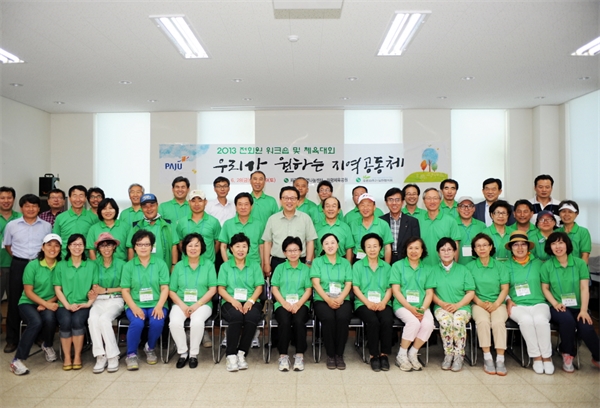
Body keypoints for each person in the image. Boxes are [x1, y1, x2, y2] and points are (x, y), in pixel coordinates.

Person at [541, 232, 600, 371]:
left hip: (579, 306)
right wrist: (555, 303)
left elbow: (584, 288)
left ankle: (597, 357)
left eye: (561, 243)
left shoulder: (580, 263)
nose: (557, 246)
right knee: (567, 321)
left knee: (586, 327)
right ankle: (567, 353)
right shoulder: (547, 266)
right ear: (550, 247)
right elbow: (545, 288)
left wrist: (584, 310)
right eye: (554, 243)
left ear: (567, 244)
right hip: (557, 306)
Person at [3, 194, 52, 353]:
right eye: (27, 206)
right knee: (14, 300)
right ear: (21, 208)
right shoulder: (11, 225)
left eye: (34, 206)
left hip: (39, 265)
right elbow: (8, 246)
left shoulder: (46, 226)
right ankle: (12, 340)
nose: (31, 209)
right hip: (19, 264)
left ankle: (38, 336)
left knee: (39, 297)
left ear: (39, 208)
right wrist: (20, 258)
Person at [9, 233, 61, 375]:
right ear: (42, 247)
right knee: (36, 322)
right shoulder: (32, 265)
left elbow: (61, 290)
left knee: (50, 318)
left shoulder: (61, 266)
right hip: (28, 302)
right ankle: (17, 360)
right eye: (49, 245)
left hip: (50, 302)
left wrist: (47, 304)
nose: (53, 248)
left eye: (56, 245)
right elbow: (28, 291)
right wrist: (44, 303)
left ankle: (47, 345)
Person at [504, 231, 554, 374]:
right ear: (511, 248)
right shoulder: (504, 265)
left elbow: (548, 284)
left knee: (540, 320)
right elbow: (501, 287)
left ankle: (547, 357)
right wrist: (508, 299)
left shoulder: (540, 264)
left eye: (523, 244)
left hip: (539, 303)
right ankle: (536, 357)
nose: (520, 248)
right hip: (516, 305)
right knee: (526, 320)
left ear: (528, 247)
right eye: (516, 245)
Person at [120, 230, 170, 370]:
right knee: (137, 322)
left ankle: (150, 347)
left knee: (157, 321)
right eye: (139, 244)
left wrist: (159, 306)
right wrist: (134, 307)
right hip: (135, 304)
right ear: (134, 247)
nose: (143, 247)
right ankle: (131, 355)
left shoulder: (160, 264)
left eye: (147, 244)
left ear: (152, 246)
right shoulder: (128, 266)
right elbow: (125, 290)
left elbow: (165, 287)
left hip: (157, 303)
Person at [169, 233, 217, 369]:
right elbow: (172, 290)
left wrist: (197, 305)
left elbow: (212, 289)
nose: (193, 248)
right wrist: (183, 305)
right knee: (174, 323)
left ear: (202, 247)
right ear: (184, 248)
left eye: (197, 245)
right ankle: (183, 352)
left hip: (203, 304)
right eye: (190, 245)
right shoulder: (179, 266)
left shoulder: (208, 265)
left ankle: (193, 354)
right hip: (180, 303)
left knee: (197, 322)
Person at [217, 233, 264, 372]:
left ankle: (241, 353)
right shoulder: (225, 266)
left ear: (248, 249)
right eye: (237, 246)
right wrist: (233, 301)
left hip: (251, 300)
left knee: (251, 317)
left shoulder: (254, 265)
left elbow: (259, 287)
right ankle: (231, 355)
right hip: (230, 301)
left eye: (244, 246)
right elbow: (221, 289)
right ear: (231, 249)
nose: (241, 249)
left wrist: (250, 301)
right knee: (236, 316)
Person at [390, 237, 435, 372]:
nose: (413, 251)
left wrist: (422, 309)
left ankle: (413, 353)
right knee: (413, 323)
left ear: (422, 250)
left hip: (421, 306)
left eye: (417, 248)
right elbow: (396, 290)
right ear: (405, 250)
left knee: (428, 324)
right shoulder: (397, 266)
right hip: (402, 305)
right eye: (410, 248)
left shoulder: (428, 268)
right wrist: (410, 308)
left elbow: (429, 293)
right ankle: (401, 355)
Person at [53, 234, 97, 370]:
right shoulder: (61, 265)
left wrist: (88, 303)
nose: (77, 247)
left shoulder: (91, 265)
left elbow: (95, 288)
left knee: (77, 322)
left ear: (84, 247)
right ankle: (67, 357)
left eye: (80, 244)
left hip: (83, 304)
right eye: (74, 244)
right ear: (68, 247)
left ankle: (77, 356)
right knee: (65, 322)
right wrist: (67, 305)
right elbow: (57, 288)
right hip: (64, 304)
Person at [468, 233, 509, 375]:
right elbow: (469, 290)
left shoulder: (500, 266)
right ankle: (487, 357)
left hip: (498, 303)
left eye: (485, 245)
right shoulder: (470, 267)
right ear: (474, 249)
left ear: (491, 247)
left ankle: (500, 358)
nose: (482, 248)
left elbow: (505, 288)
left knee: (498, 323)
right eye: (478, 246)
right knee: (483, 322)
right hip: (478, 303)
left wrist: (496, 304)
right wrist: (480, 302)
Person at [432, 238, 475, 372]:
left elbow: (470, 292)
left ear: (455, 252)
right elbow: (430, 292)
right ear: (438, 253)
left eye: (449, 249)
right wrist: (441, 303)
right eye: (443, 250)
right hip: (441, 307)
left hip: (462, 306)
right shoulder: (433, 270)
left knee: (458, 321)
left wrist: (457, 305)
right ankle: (448, 354)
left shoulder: (463, 270)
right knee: (446, 321)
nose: (446, 252)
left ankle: (459, 355)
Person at [352, 233, 394, 372]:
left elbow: (390, 288)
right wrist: (367, 302)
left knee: (387, 320)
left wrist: (383, 302)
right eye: (368, 246)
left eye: (375, 246)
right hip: (363, 303)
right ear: (364, 248)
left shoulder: (387, 267)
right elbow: (355, 288)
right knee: (373, 321)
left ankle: (384, 354)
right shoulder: (357, 266)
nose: (372, 249)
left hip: (383, 302)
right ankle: (373, 355)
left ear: (380, 247)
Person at [311, 233, 353, 369]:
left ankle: (339, 354)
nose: (330, 246)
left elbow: (348, 283)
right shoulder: (317, 262)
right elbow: (316, 283)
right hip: (322, 299)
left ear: (338, 245)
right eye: (326, 243)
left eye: (333, 242)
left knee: (342, 318)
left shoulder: (345, 263)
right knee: (328, 318)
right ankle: (330, 354)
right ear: (322, 247)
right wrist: (328, 300)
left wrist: (340, 298)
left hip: (342, 298)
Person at [271, 236, 312, 372]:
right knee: (284, 321)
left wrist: (298, 304)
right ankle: (283, 355)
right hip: (282, 303)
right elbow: (275, 288)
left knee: (299, 321)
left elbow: (308, 290)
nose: (293, 253)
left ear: (301, 251)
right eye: (289, 250)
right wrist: (284, 303)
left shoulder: (306, 269)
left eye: (296, 250)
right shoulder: (279, 268)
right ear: (284, 252)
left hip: (301, 303)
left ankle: (299, 355)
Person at [88, 232, 126, 373]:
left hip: (116, 299)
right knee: (93, 319)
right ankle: (100, 356)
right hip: (98, 300)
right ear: (98, 249)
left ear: (114, 246)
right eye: (102, 246)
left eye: (109, 245)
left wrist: (105, 290)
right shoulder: (93, 264)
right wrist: (94, 291)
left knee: (104, 320)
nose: (106, 249)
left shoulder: (122, 264)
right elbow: (93, 286)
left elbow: (125, 287)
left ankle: (113, 356)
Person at [262, 186, 317, 277]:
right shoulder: (272, 219)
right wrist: (266, 264)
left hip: (300, 262)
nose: (289, 201)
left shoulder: (305, 218)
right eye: (286, 198)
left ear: (298, 201)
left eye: (293, 198)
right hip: (278, 262)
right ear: (280, 200)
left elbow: (310, 241)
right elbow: (267, 242)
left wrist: (308, 262)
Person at [126, 193, 178, 271]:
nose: (149, 209)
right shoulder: (136, 227)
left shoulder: (168, 225)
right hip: (141, 270)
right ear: (141, 208)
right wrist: (131, 268)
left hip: (164, 269)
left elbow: (174, 246)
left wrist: (174, 265)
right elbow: (130, 248)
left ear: (157, 205)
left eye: (152, 205)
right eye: (145, 206)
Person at [175, 190, 221, 265]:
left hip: (208, 264)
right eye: (193, 201)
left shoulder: (214, 221)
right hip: (186, 264)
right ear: (189, 202)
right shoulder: (182, 222)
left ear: (205, 202)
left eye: (200, 200)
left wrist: (209, 256)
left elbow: (217, 243)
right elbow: (180, 243)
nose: (196, 204)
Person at [219, 192, 265, 267]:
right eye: (240, 204)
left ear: (251, 206)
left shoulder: (259, 224)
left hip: (254, 265)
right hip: (232, 264)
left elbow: (261, 247)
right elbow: (223, 246)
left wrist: (262, 267)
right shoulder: (228, 224)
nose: (243, 207)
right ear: (236, 207)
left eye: (246, 204)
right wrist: (227, 264)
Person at [418, 188, 461, 266]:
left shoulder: (450, 221)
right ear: (424, 201)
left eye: (435, 198)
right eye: (429, 198)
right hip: (422, 267)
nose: (432, 201)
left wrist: (452, 267)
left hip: (444, 267)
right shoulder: (417, 221)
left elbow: (455, 246)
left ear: (440, 200)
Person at [53, 185, 98, 258]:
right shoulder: (60, 218)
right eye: (74, 196)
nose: (78, 199)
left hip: (86, 259)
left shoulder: (94, 218)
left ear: (85, 198)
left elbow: (96, 241)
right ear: (69, 198)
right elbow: (55, 240)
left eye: (81, 196)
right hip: (64, 258)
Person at [349, 193, 393, 263]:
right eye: (362, 205)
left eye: (369, 205)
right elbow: (350, 248)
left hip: (378, 261)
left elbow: (387, 248)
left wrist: (386, 266)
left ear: (374, 207)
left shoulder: (383, 224)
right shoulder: (353, 224)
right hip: (358, 262)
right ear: (358, 207)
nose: (365, 208)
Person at [380, 187, 420, 263]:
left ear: (402, 202)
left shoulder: (412, 221)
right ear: (386, 203)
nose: (394, 203)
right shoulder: (381, 221)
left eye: (397, 200)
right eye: (390, 200)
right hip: (384, 260)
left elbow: (416, 244)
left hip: (405, 261)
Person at [0, 186, 20, 333]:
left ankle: (13, 333)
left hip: (16, 265)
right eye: (2, 198)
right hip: (0, 264)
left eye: (9, 197)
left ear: (14, 199)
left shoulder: (21, 217)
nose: (6, 201)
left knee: (15, 300)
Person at [314, 197, 354, 262]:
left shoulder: (345, 227)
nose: (330, 209)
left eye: (334, 206)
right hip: (320, 263)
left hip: (341, 263)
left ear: (339, 210)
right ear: (323, 210)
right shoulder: (316, 227)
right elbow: (313, 248)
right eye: (327, 206)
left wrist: (348, 265)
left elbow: (349, 248)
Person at [456, 196, 486, 265]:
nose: (466, 209)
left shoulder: (481, 225)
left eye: (470, 206)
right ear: (458, 209)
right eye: (462, 206)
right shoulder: (452, 224)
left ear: (474, 209)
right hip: (458, 266)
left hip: (477, 266)